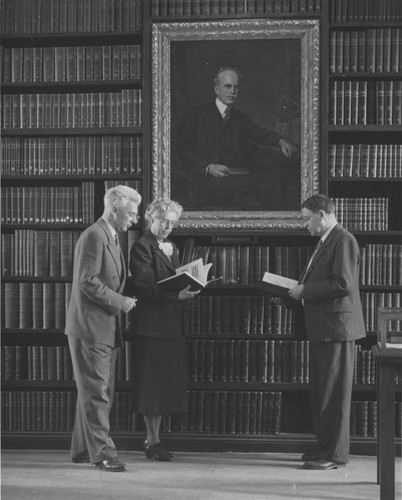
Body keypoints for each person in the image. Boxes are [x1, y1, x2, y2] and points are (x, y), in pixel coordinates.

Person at [65, 185, 141, 472]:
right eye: (131, 214)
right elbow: (87, 280)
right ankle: (103, 454)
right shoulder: (95, 236)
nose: (134, 220)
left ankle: (83, 449)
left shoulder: (110, 236)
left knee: (94, 390)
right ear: (114, 209)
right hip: (90, 327)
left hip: (102, 327)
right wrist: (119, 301)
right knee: (97, 392)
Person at [288, 194, 366, 470]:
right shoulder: (327, 241)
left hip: (336, 329)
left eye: (307, 218)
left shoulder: (343, 239)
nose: (305, 224)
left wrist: (305, 291)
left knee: (333, 394)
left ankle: (334, 455)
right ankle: (325, 449)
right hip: (325, 328)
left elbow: (343, 284)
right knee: (323, 392)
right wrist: (292, 294)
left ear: (322, 215)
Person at [129, 198, 199, 461]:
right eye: (164, 221)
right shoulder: (142, 247)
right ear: (151, 218)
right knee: (151, 387)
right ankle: (152, 440)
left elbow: (169, 280)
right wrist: (176, 297)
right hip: (151, 326)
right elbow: (146, 287)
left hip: (169, 325)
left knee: (163, 386)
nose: (169, 226)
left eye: (173, 222)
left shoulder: (172, 246)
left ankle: (155, 439)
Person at [174, 66, 298, 210]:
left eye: (236, 87)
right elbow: (183, 149)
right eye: (228, 86)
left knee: (260, 200)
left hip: (235, 181)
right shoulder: (197, 114)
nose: (232, 91)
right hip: (206, 181)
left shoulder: (241, 118)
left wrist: (281, 141)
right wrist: (208, 167)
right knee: (259, 185)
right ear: (217, 89)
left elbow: (260, 133)